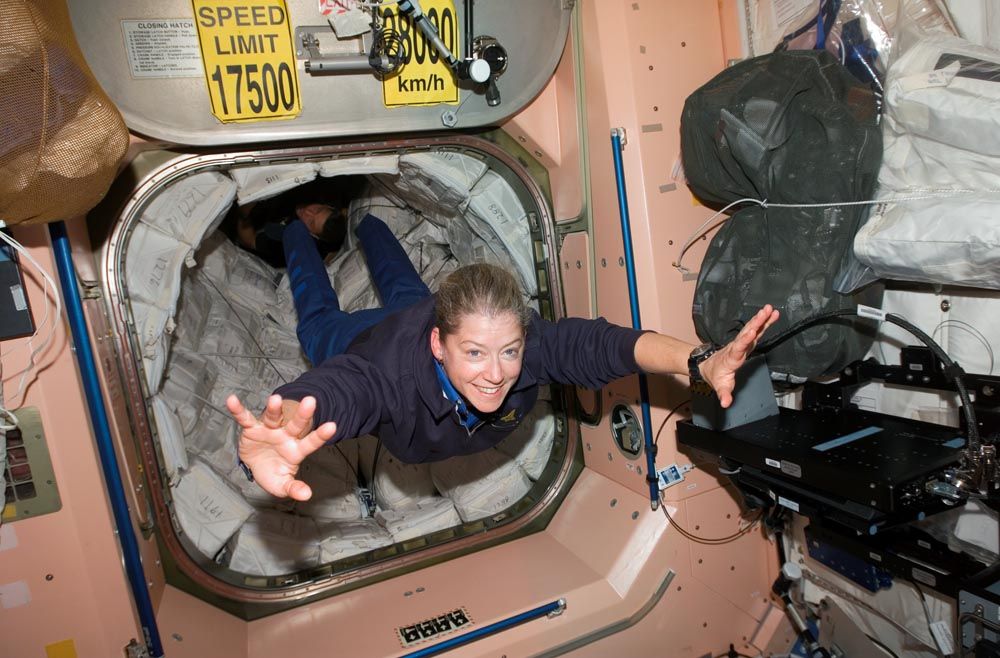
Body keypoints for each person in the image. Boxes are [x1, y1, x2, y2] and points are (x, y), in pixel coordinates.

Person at [226, 212, 780, 501]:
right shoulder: (389, 378)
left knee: (408, 293)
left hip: (428, 315)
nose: (496, 375)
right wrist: (297, 417)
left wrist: (697, 361)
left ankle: (362, 219)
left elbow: (601, 344)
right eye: (475, 353)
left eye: (509, 351)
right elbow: (351, 387)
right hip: (368, 340)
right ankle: (297, 231)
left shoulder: (512, 348)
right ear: (437, 345)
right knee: (320, 323)